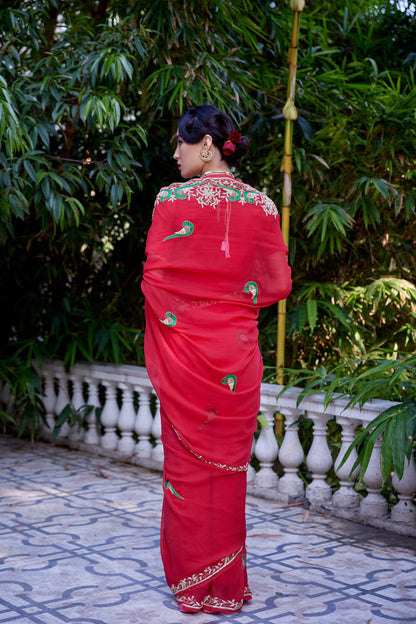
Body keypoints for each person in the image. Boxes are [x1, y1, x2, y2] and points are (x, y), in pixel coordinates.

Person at [141, 104, 292, 613]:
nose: (175, 152)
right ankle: (227, 589)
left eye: (180, 143)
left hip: (186, 359)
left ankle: (192, 587)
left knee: (186, 475)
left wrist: (191, 312)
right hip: (237, 361)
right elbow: (276, 285)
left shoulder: (169, 200)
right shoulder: (265, 206)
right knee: (227, 477)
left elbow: (155, 280)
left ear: (205, 144)